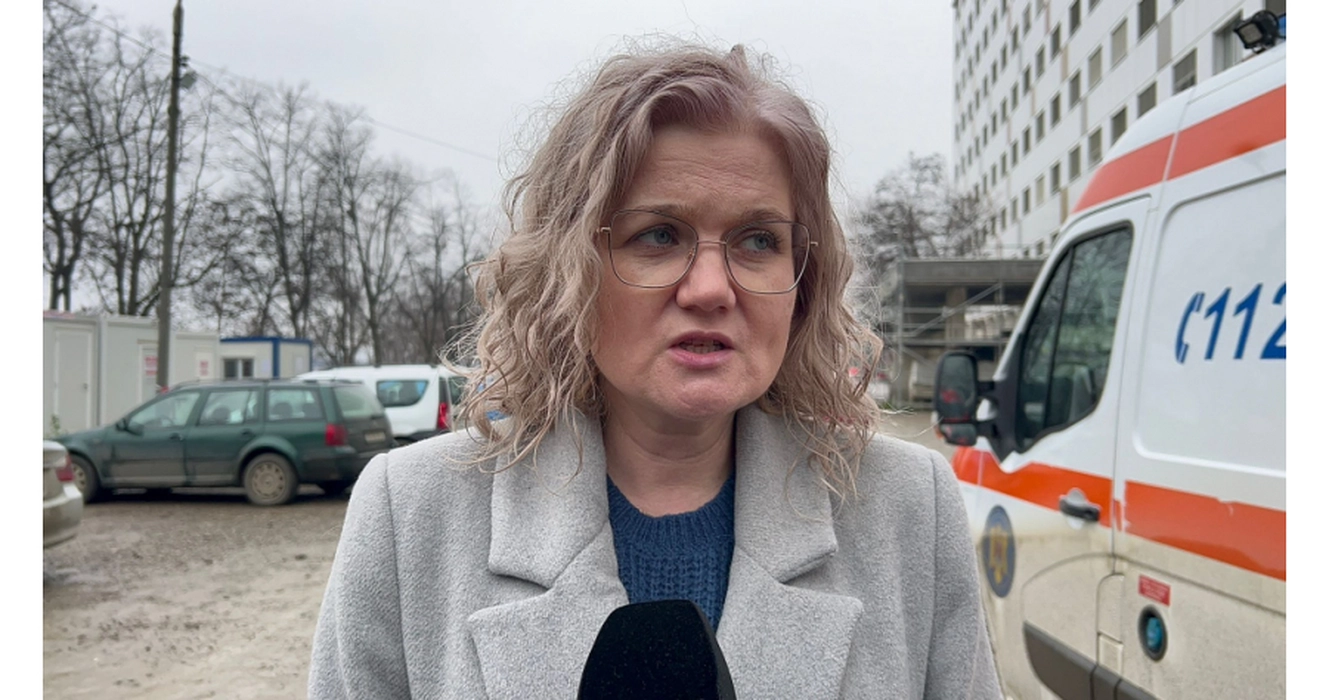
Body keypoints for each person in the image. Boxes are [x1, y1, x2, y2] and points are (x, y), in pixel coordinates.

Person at [308, 40, 1001, 699]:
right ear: (567, 269)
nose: (710, 288)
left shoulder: (909, 509)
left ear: (803, 279)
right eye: (659, 235)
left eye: (758, 240)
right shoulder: (411, 513)